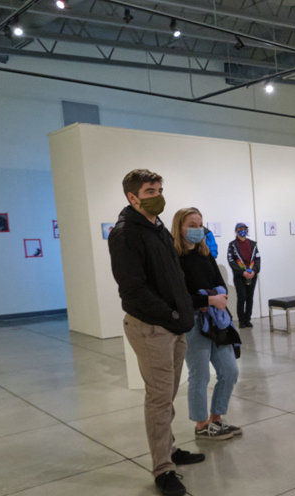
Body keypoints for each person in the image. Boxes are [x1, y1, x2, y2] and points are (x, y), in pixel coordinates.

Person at [108, 169, 205, 496]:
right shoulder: (125, 234)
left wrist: (183, 313)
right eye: (150, 190)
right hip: (152, 328)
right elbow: (132, 290)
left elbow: (172, 275)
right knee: (159, 399)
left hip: (172, 325)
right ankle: (163, 468)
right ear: (132, 197)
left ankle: (169, 449)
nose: (158, 195)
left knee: (167, 395)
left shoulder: (157, 226)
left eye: (160, 188)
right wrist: (172, 314)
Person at [172, 208, 242, 442]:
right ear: (179, 227)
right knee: (200, 375)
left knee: (229, 371)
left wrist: (212, 298)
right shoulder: (174, 259)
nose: (197, 229)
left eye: (200, 225)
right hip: (193, 323)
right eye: (192, 225)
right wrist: (207, 299)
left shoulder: (205, 253)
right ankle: (201, 425)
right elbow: (178, 296)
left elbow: (220, 284)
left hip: (216, 319)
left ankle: (216, 419)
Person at [226, 223, 259, 328]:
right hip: (240, 276)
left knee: (250, 298)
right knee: (241, 298)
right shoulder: (232, 245)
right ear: (236, 230)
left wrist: (254, 271)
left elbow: (257, 259)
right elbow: (231, 260)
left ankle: (248, 319)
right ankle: (241, 321)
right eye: (240, 229)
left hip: (252, 275)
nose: (242, 230)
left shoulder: (253, 244)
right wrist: (242, 272)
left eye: (245, 229)